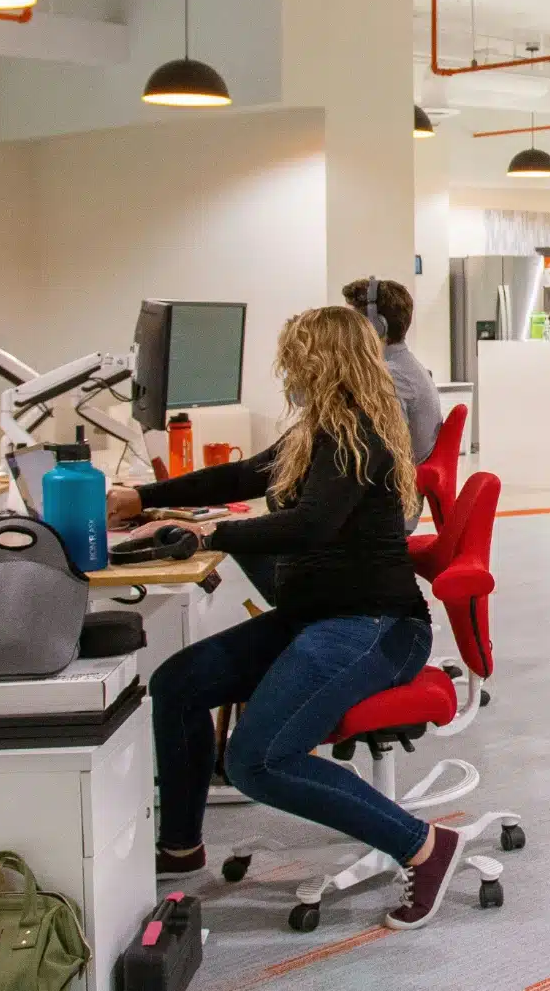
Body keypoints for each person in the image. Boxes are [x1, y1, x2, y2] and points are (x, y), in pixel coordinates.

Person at [108, 307, 465, 932]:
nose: (286, 369)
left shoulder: (356, 436)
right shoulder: (319, 430)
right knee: (178, 684)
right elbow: (249, 474)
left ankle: (424, 846)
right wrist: (146, 498)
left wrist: (208, 532)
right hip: (319, 616)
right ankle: (181, 846)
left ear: (321, 362)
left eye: (295, 357)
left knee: (258, 760)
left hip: (375, 628)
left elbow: (310, 525)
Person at [342, 277, 442, 465]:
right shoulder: (401, 363)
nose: (346, 332)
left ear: (376, 326)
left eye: (352, 324)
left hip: (397, 480)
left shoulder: (393, 375)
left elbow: (389, 448)